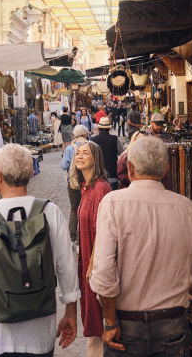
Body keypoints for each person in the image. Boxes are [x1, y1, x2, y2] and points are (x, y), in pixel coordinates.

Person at [89, 137, 192, 357]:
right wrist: (175, 286)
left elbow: (103, 276)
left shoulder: (113, 204)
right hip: (172, 327)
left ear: (129, 168)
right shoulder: (186, 208)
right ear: (166, 169)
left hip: (126, 326)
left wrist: (111, 323)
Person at [0, 144, 80, 357]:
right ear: (31, 172)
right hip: (40, 333)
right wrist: (70, 312)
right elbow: (67, 268)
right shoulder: (50, 212)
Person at [75, 141, 111, 357]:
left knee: (98, 316)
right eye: (77, 153)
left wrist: (93, 264)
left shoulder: (100, 189)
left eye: (85, 153)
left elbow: (103, 230)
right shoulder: (87, 187)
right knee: (91, 313)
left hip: (95, 263)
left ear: (95, 158)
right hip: (87, 257)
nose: (79, 156)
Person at [60, 125, 89, 244]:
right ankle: (82, 236)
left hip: (72, 182)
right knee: (85, 208)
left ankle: (72, 236)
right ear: (86, 135)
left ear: (75, 135)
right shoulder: (90, 146)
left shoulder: (69, 148)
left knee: (73, 209)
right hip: (87, 182)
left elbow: (63, 166)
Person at [90, 117, 124, 190]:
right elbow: (122, 153)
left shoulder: (93, 140)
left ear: (98, 129)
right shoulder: (114, 139)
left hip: (97, 175)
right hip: (112, 173)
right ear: (109, 129)